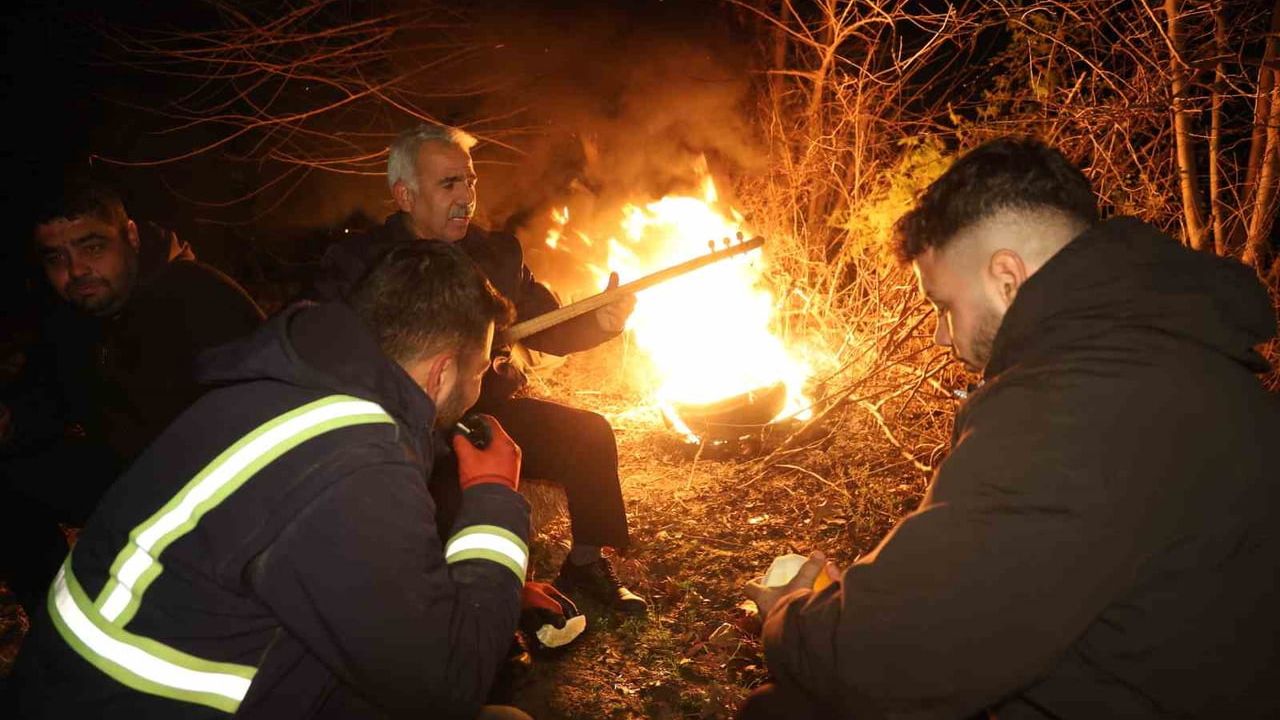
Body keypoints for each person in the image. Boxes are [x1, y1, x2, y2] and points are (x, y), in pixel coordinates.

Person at [740, 137, 1280, 719]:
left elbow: (891, 659)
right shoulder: (1172, 355)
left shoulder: (1071, 403)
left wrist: (789, 611)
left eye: (944, 305)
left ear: (1007, 278)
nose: (943, 337)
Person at [14, 241, 536, 719]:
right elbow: (448, 686)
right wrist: (493, 500)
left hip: (88, 686)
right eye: (482, 370)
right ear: (442, 373)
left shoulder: (286, 386)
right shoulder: (359, 462)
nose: (480, 386)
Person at [313, 123, 647, 614]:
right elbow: (326, 345)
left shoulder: (496, 253)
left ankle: (585, 562)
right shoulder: (357, 262)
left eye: (470, 181)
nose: (467, 195)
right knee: (445, 492)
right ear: (404, 195)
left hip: (483, 408)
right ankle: (463, 606)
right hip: (402, 424)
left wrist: (598, 319)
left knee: (589, 434)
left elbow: (546, 325)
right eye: (450, 184)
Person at [0, 176, 264, 618]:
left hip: (216, 494)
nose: (76, 269)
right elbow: (50, 399)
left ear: (132, 237)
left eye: (92, 247)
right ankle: (59, 615)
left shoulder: (202, 300)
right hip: (129, 477)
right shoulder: (72, 317)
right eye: (56, 258)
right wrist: (11, 421)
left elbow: (263, 425)